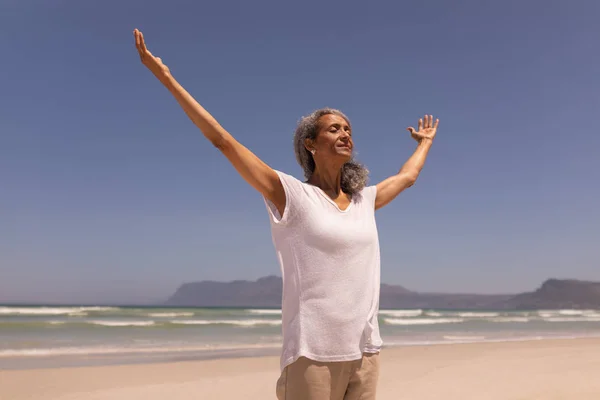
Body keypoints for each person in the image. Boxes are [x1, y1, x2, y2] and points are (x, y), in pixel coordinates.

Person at [133, 29, 439, 400]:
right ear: (310, 143)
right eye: (334, 128)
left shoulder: (363, 200)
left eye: (348, 129)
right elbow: (223, 142)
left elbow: (407, 177)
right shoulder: (291, 195)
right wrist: (167, 79)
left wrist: (424, 144)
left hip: (365, 350)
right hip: (312, 353)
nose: (345, 134)